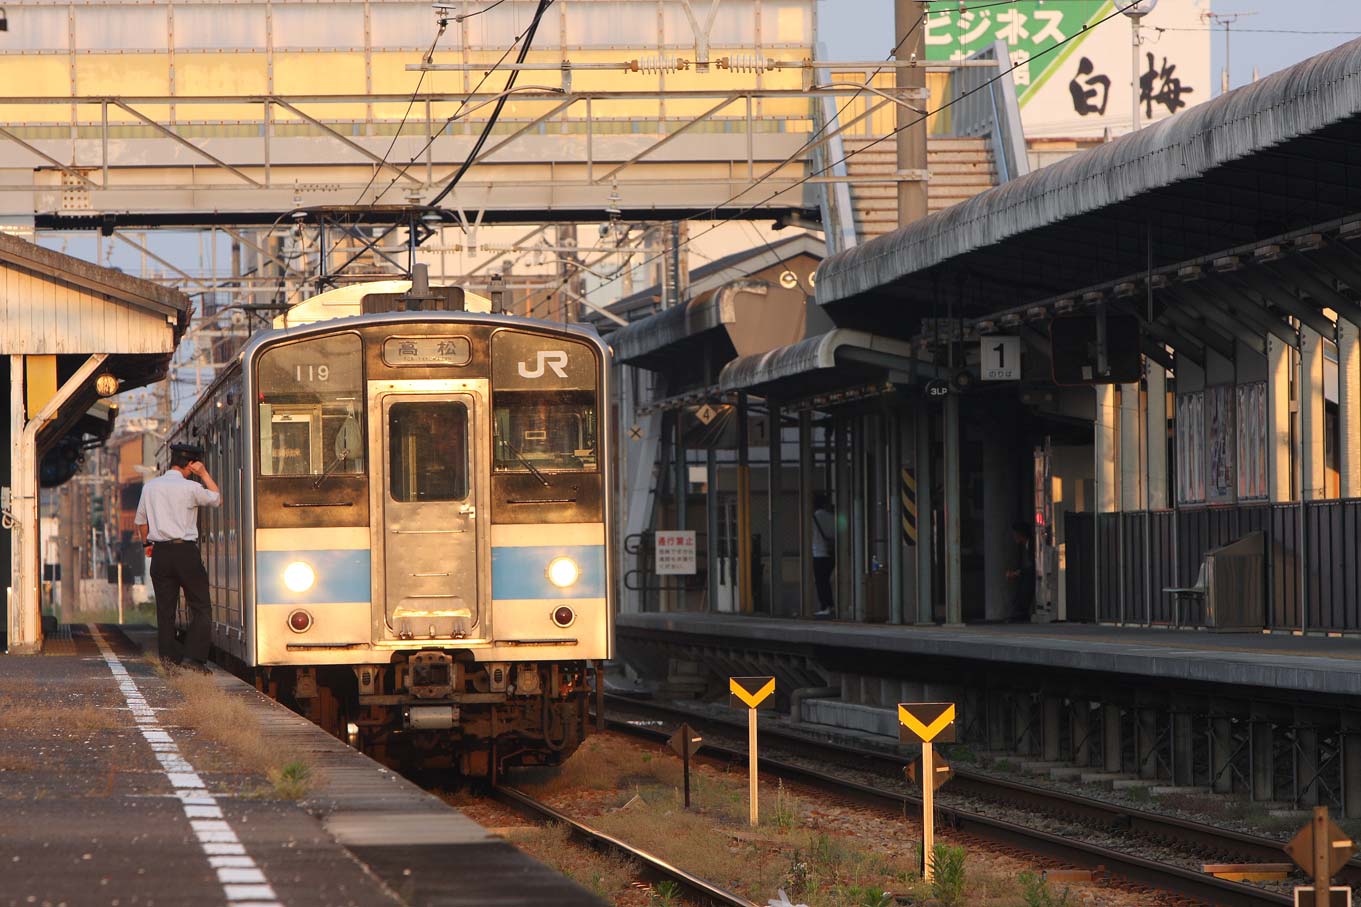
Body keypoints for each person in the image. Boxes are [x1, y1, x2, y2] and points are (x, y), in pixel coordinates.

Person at [134, 443, 221, 672]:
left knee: (165, 611)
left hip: (161, 553)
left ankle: (169, 663)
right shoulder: (191, 487)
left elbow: (141, 522)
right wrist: (203, 474)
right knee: (201, 606)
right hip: (185, 552)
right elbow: (215, 498)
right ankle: (193, 659)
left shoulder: (150, 487)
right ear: (190, 464)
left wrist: (147, 545)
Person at [812, 493, 836, 619]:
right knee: (826, 580)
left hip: (819, 553)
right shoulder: (832, 517)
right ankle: (830, 606)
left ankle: (825, 606)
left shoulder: (814, 517)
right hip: (832, 553)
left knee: (821, 581)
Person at [1006, 520, 1035, 623]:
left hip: (1032, 575)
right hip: (1029, 573)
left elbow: (1032, 566)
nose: (1014, 537)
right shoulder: (1027, 545)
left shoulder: (1032, 545)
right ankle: (1020, 613)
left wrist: (1017, 573)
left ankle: (1021, 613)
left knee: (1025, 587)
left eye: (1015, 534)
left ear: (1020, 534)